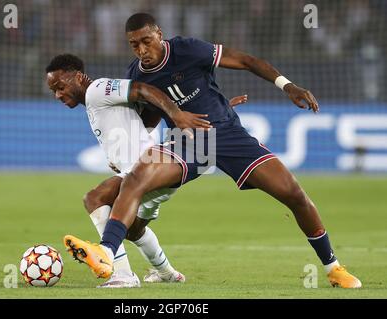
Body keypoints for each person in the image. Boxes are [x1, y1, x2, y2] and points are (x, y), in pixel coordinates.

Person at [64, 13, 361, 288]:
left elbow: (244, 60)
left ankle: (333, 267)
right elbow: (150, 117)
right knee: (137, 177)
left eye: (146, 41)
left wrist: (287, 86)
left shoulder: (187, 50)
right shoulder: (137, 74)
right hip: (189, 143)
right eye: (134, 45)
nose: (142, 50)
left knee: (293, 194)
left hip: (229, 135)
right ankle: (105, 252)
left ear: (159, 35)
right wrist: (134, 142)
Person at [45, 53, 213, 288]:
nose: (58, 95)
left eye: (60, 86)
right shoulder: (94, 104)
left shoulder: (97, 89)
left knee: (95, 197)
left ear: (78, 76)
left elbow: (143, 89)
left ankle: (122, 274)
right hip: (150, 171)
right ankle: (166, 273)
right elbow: (147, 110)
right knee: (133, 230)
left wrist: (176, 114)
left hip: (147, 171)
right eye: (54, 91)